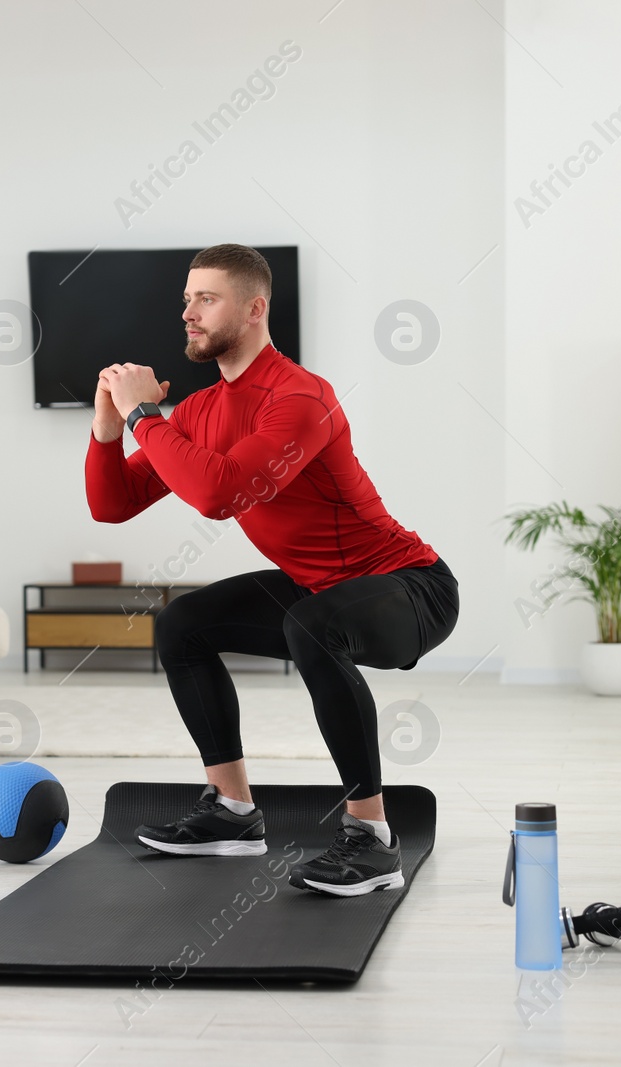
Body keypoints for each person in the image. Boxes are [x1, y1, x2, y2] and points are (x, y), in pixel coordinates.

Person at [84, 243, 458, 896]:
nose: (188, 313)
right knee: (183, 623)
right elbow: (112, 504)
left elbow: (220, 493)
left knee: (313, 625)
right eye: (186, 299)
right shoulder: (200, 412)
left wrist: (145, 415)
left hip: (411, 587)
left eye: (206, 298)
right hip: (319, 590)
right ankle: (231, 811)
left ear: (255, 308)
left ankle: (373, 840)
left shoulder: (300, 397)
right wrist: (109, 427)